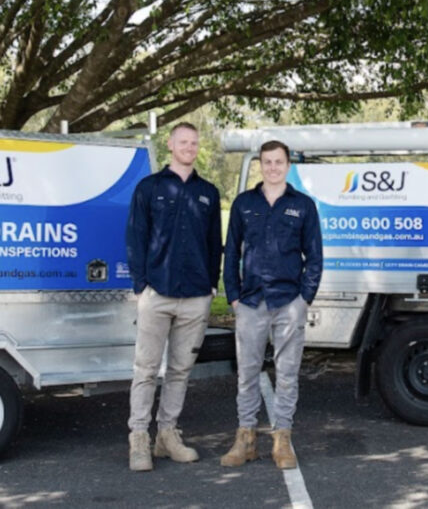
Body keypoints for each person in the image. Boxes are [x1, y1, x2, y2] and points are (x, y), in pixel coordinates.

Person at [125, 122, 222, 472]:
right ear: (170, 144)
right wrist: (141, 286)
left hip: (196, 296)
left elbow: (214, 242)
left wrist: (212, 283)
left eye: (194, 143)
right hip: (157, 293)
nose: (189, 147)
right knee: (146, 369)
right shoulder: (149, 188)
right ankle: (139, 439)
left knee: (180, 371)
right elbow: (136, 237)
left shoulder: (208, 192)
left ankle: (167, 435)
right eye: (183, 142)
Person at [220, 139, 322, 470]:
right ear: (260, 165)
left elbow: (315, 257)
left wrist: (304, 298)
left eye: (279, 162)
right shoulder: (244, 203)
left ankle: (282, 441)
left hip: (288, 301)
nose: (273, 167)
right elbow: (231, 252)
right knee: (247, 373)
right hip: (250, 301)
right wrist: (233, 296)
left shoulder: (303, 205)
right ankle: (245, 439)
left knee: (288, 374)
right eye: (267, 162)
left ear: (288, 166)